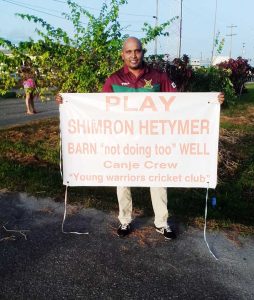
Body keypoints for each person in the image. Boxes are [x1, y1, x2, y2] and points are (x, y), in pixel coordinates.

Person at [56, 37, 224, 240]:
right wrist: (67, 102)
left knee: (159, 179)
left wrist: (211, 102)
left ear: (142, 52)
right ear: (122, 54)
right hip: (123, 142)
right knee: (122, 179)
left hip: (154, 141)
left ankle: (162, 223)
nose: (133, 55)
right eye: (128, 52)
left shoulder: (158, 77)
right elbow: (98, 109)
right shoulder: (114, 80)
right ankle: (125, 220)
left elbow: (180, 103)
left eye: (137, 51)